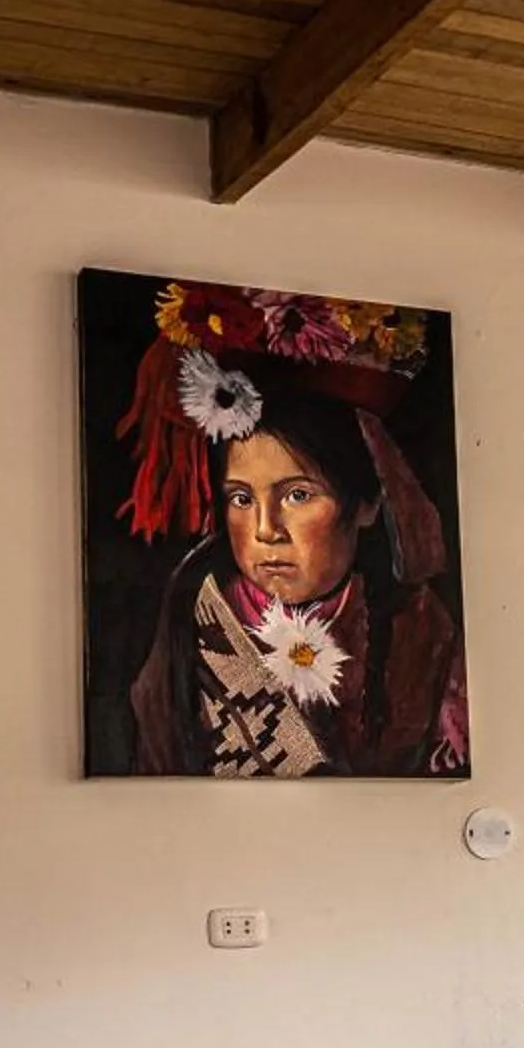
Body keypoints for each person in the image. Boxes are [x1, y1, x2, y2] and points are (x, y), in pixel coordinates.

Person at [113, 282, 467, 778]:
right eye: (241, 498)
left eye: (297, 495)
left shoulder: (419, 628)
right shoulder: (189, 626)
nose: (265, 530)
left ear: (365, 503)